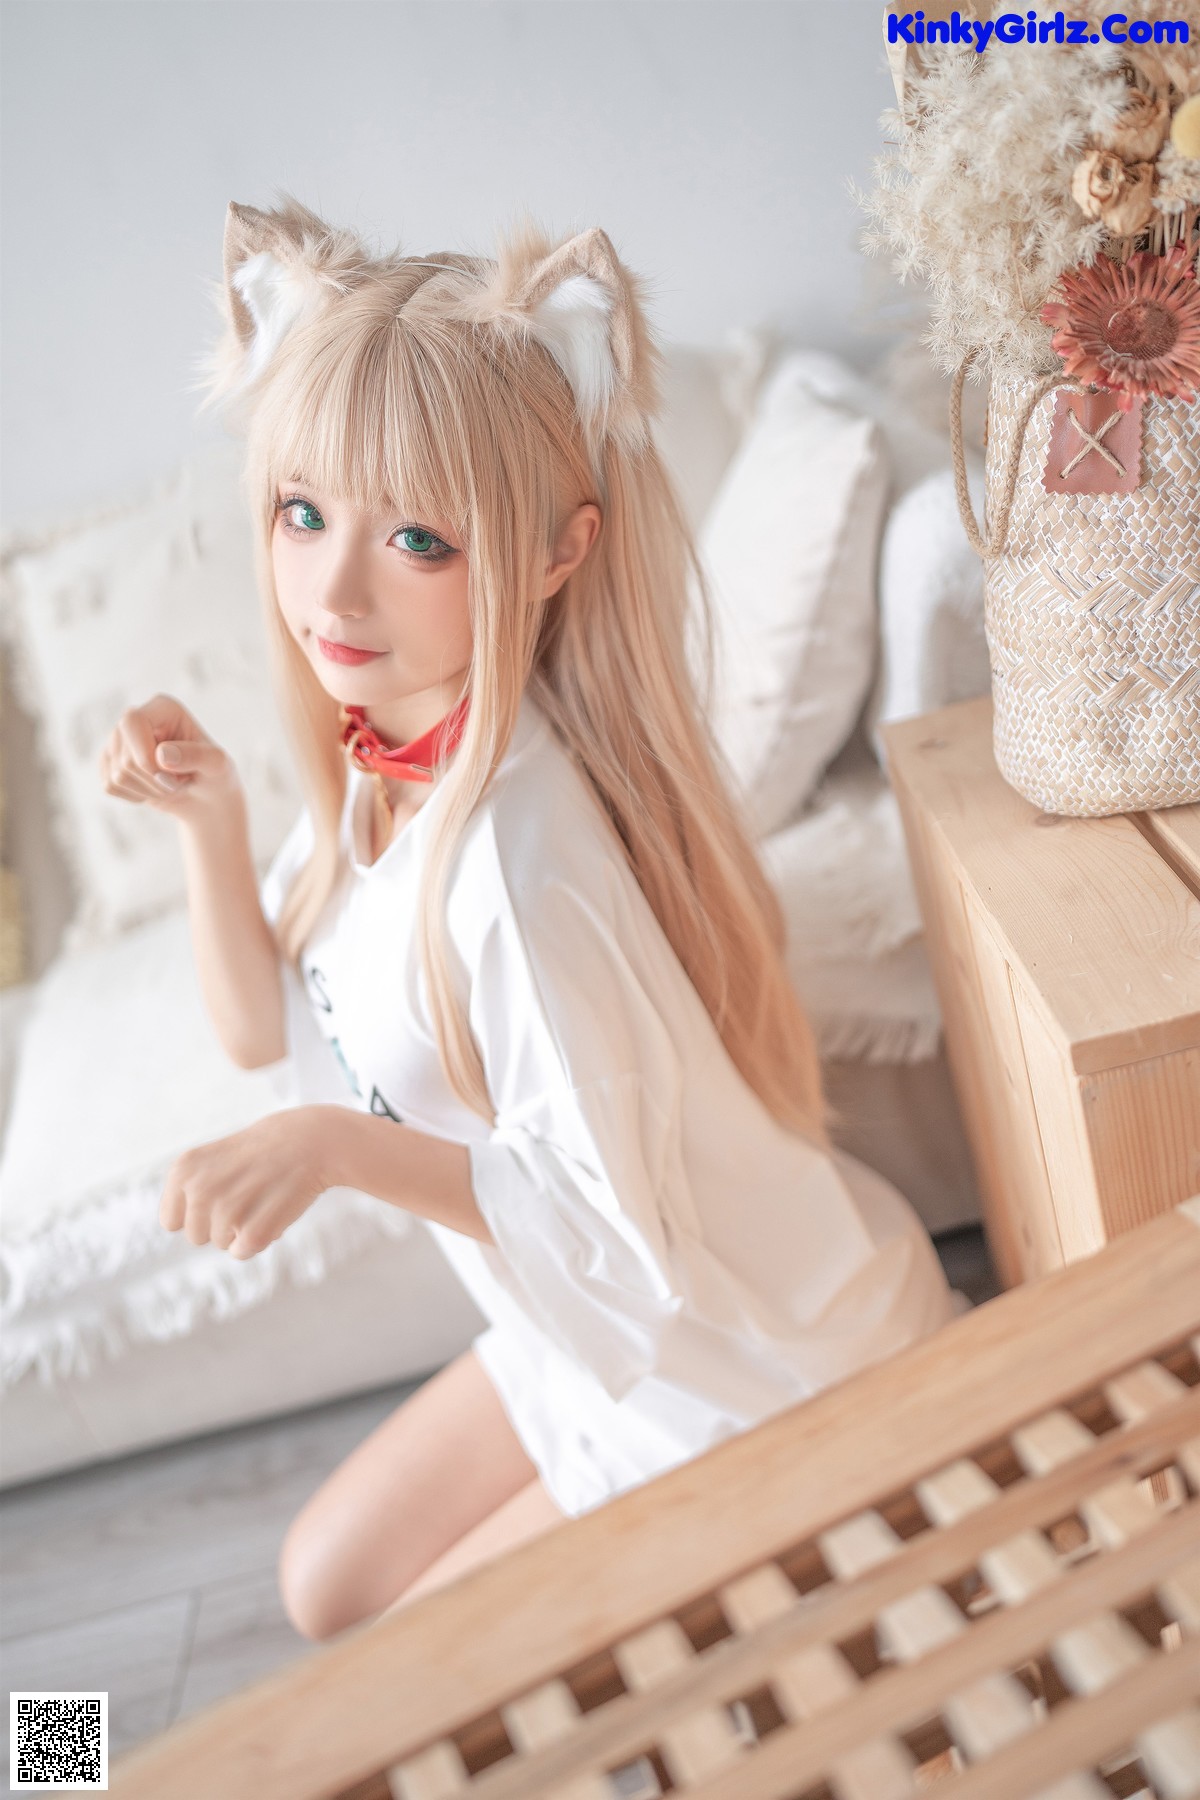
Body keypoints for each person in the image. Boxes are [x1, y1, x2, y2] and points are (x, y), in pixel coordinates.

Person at [98, 193, 957, 1643]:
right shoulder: (384, 760)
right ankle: (52, 1749)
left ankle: (56, 1750)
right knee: (319, 1588)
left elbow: (616, 1250)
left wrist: (335, 1149)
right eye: (303, 513)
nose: (333, 587)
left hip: (740, 1371)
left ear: (558, 551)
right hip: (580, 1338)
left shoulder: (521, 859)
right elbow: (265, 1033)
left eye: (416, 537)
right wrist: (212, 821)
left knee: (391, 1692)